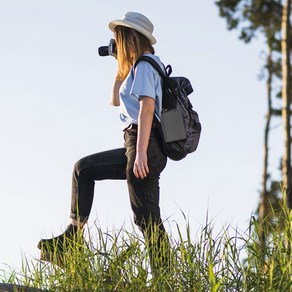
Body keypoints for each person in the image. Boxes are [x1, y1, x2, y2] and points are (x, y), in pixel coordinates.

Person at [38, 11, 170, 272]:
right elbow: (115, 100)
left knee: (147, 218)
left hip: (143, 142)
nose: (115, 43)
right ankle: (70, 240)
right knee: (83, 169)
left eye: (117, 39)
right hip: (137, 143)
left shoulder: (145, 65)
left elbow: (146, 108)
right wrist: (119, 65)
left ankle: (165, 277)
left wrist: (141, 153)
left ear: (128, 37)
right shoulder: (138, 66)